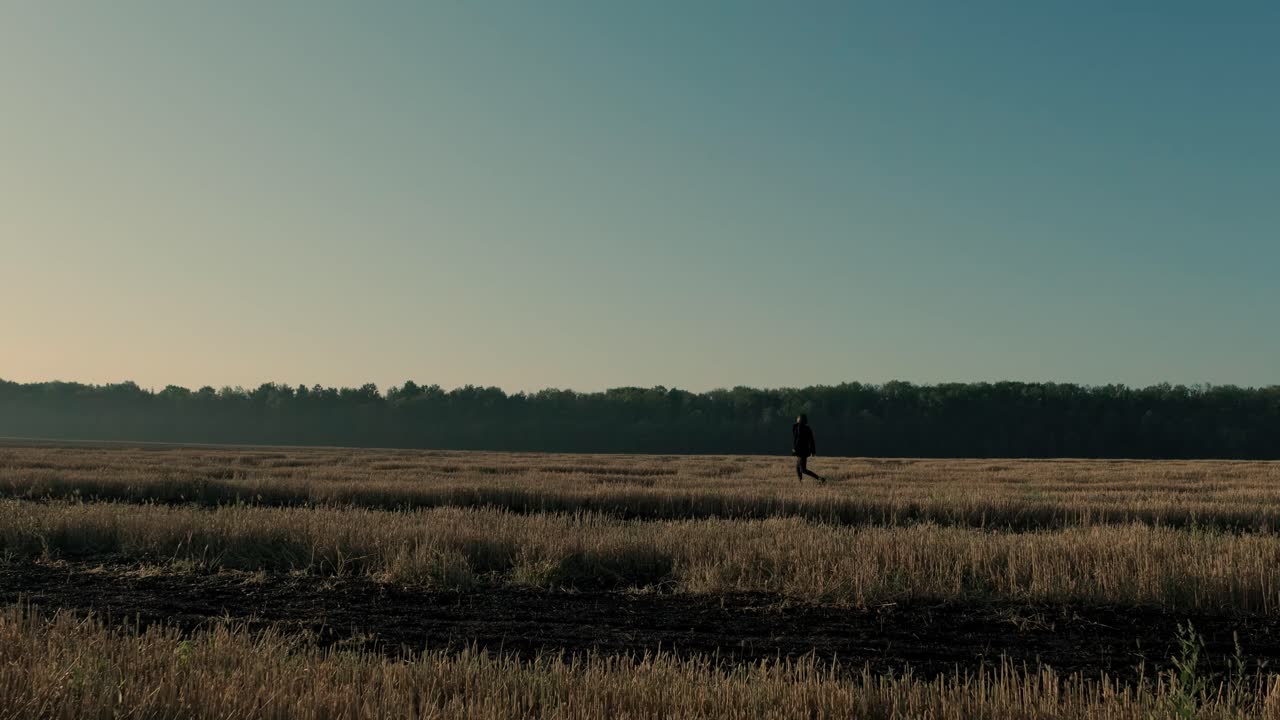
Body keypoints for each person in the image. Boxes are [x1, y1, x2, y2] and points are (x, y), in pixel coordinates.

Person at [792, 414, 824, 483]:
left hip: (801, 452)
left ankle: (820, 479)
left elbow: (798, 439)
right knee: (798, 467)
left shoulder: (799, 428)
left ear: (800, 420)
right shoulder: (807, 428)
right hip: (805, 451)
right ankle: (800, 482)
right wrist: (813, 451)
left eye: (798, 418)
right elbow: (812, 440)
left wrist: (795, 448)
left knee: (803, 470)